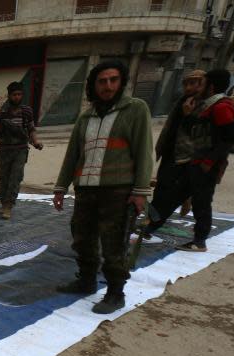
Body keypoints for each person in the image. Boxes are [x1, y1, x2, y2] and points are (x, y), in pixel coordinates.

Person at [52, 60, 153, 314]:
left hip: (117, 192)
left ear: (121, 82)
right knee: (82, 238)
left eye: (113, 80)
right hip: (86, 190)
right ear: (93, 85)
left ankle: (115, 293)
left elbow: (144, 152)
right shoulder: (86, 117)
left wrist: (140, 191)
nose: (108, 86)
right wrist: (60, 187)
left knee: (114, 244)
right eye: (102, 81)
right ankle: (85, 281)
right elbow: (73, 154)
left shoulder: (135, 109)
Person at [144, 69, 234, 252]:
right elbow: (196, 131)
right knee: (172, 197)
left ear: (210, 87)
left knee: (201, 202)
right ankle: (148, 228)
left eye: (202, 84)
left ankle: (199, 241)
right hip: (195, 162)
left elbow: (229, 138)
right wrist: (188, 116)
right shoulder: (206, 105)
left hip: (204, 165)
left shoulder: (221, 107)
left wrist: (209, 162)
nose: (198, 88)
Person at [153, 70, 205, 219]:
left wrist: (189, 114)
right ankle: (151, 220)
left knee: (171, 191)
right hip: (170, 150)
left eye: (193, 83)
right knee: (161, 187)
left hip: (185, 154)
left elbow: (198, 132)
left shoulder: (202, 104)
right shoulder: (182, 101)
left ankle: (152, 222)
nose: (188, 88)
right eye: (186, 84)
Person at [0, 82, 43, 220]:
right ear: (9, 96)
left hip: (20, 149)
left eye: (19, 94)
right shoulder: (2, 113)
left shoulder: (26, 111)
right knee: (4, 178)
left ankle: (8, 206)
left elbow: (31, 129)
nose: (17, 97)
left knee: (16, 177)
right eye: (14, 95)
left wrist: (36, 142)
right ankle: (3, 202)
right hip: (5, 150)